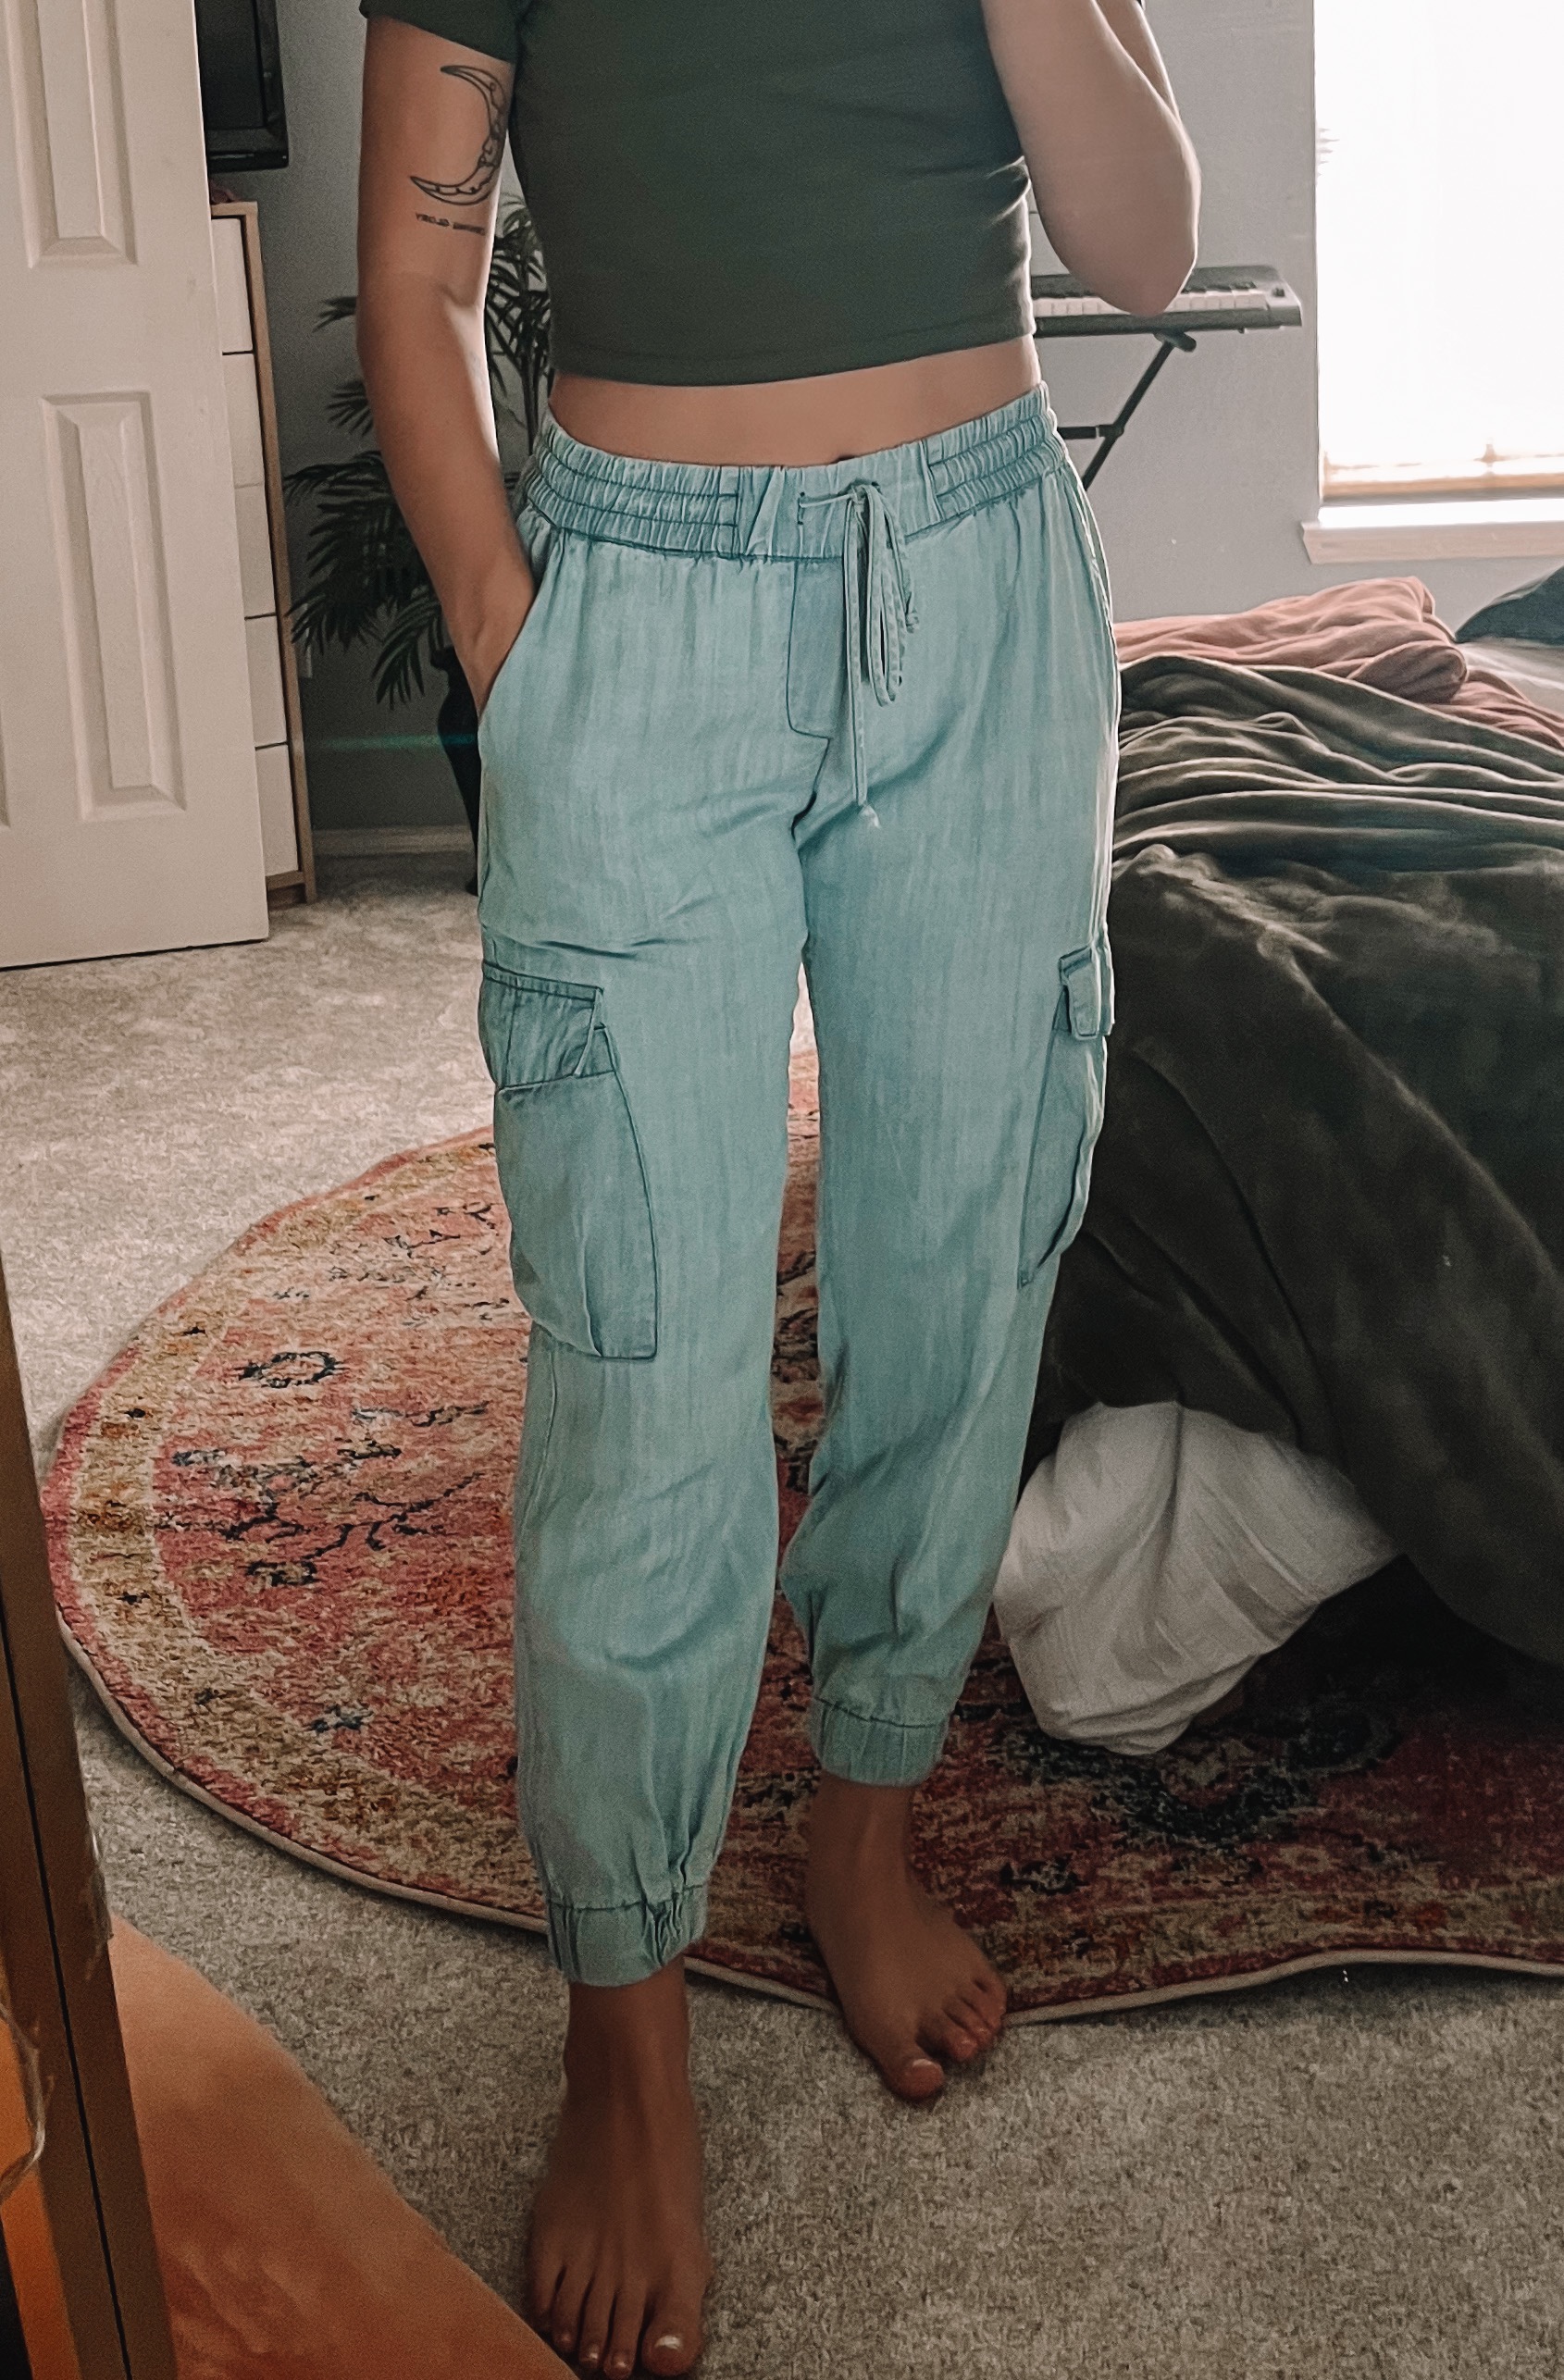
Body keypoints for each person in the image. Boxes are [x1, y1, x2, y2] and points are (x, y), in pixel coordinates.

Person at [355, 6, 1198, 2372]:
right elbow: (413, 275)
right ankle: (621, 2024)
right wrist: (513, 641)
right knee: (638, 1344)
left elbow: (1143, 249)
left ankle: (857, 1820)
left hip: (982, 579)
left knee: (959, 1261)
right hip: (639, 609)